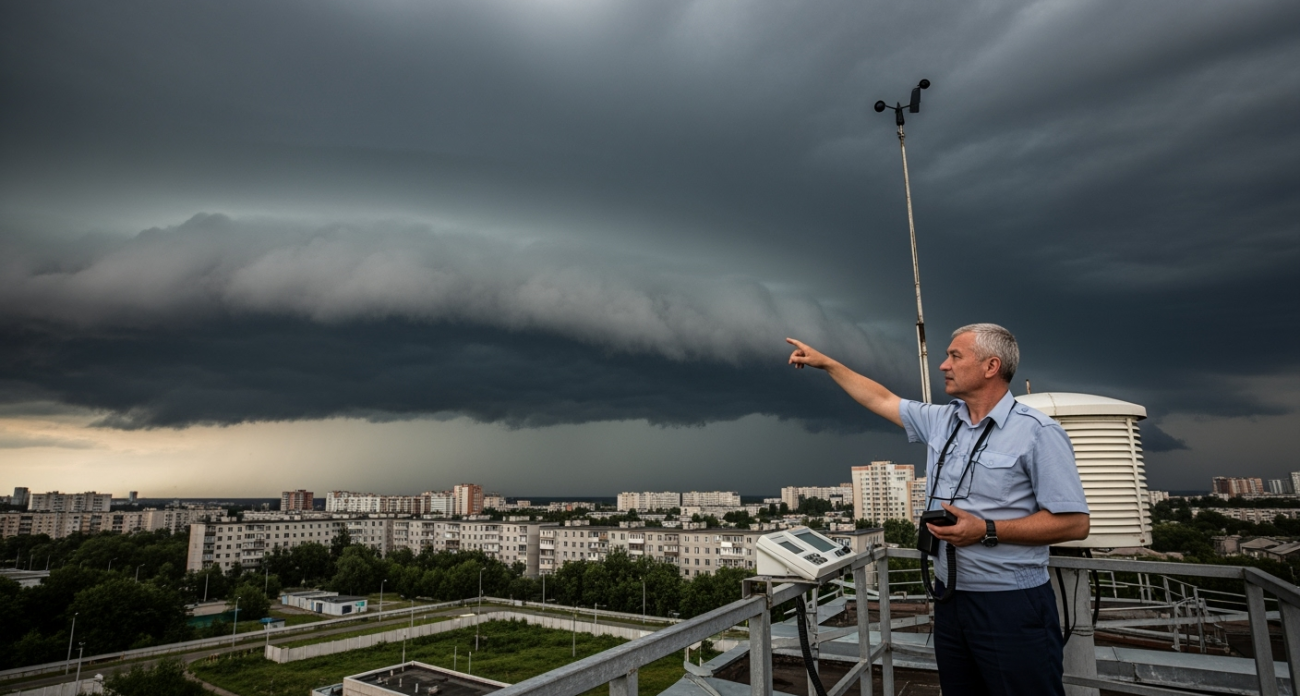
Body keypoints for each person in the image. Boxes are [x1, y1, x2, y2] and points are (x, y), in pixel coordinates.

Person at [786, 323, 1089, 696]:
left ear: (991, 366)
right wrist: (827, 363)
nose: (943, 365)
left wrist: (987, 530)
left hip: (1011, 606)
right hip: (950, 600)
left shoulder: (1039, 432)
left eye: (955, 356)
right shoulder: (943, 421)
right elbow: (880, 399)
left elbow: (1075, 523)